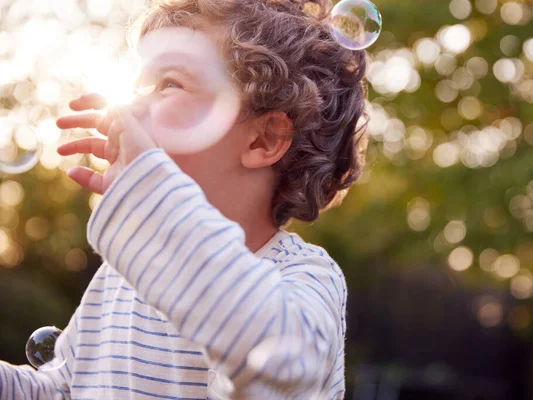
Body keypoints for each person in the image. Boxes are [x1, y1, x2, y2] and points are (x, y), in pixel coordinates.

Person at [0, 0, 368, 398]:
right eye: (141, 87)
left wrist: (151, 193)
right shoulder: (121, 278)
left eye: (169, 84)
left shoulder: (303, 276)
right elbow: (64, 388)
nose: (130, 107)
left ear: (264, 139)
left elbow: (282, 368)